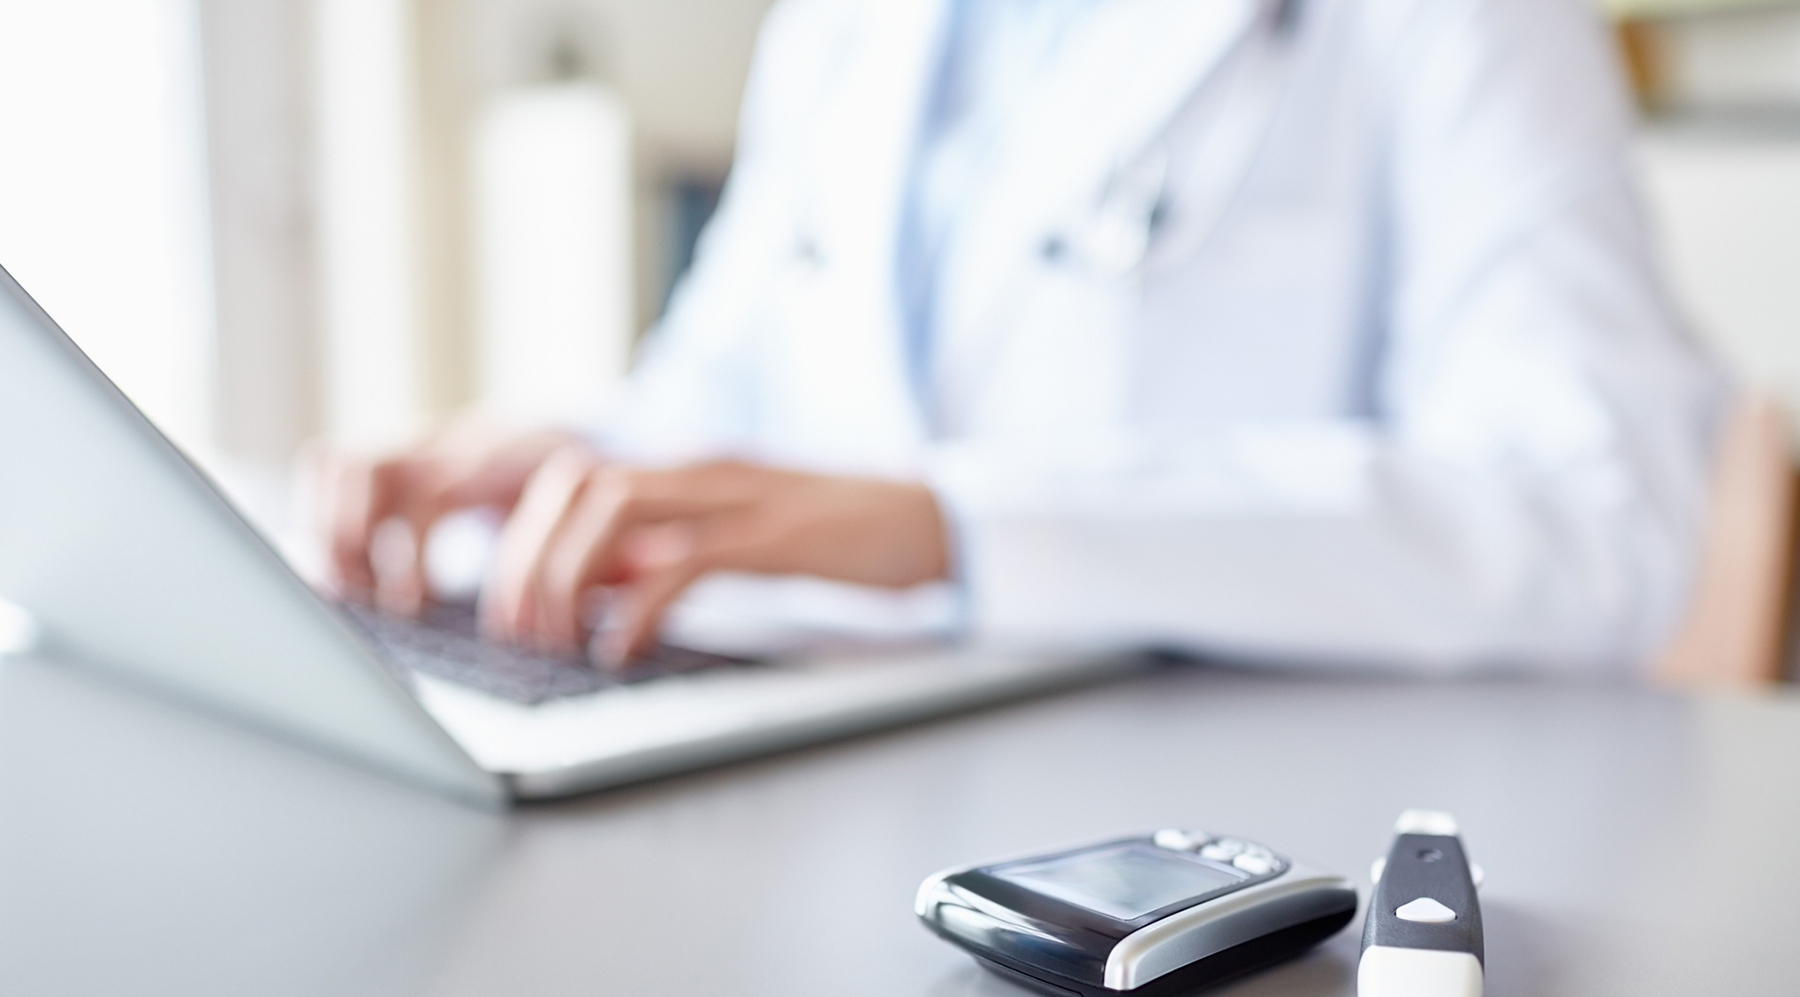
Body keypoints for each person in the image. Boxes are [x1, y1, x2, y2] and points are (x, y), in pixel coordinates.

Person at [319, 0, 1725, 673]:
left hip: (1247, 862)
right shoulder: (849, 28)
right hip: (842, 781)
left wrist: (959, 524)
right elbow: (740, 379)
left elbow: (1595, 519)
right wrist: (583, 454)